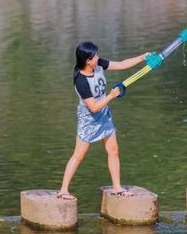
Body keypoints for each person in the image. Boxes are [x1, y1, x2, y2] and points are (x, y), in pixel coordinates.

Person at [57, 42, 149, 200]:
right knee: (79, 155)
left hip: (104, 114)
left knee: (113, 150)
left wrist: (142, 57)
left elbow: (120, 65)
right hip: (89, 117)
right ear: (87, 61)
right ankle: (63, 190)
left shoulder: (97, 64)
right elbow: (93, 107)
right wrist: (111, 96)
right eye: (95, 56)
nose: (98, 58)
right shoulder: (81, 81)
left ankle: (117, 187)